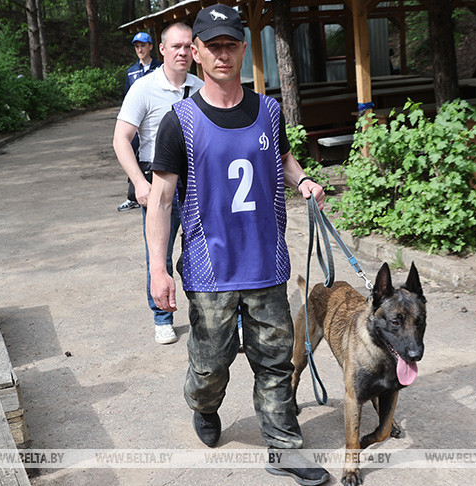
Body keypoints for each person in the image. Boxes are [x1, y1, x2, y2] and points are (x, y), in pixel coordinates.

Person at [147, 5, 329, 485]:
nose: (222, 53)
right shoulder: (179, 121)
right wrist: (158, 271)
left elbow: (284, 158)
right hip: (211, 273)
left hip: (266, 265)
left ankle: (283, 446)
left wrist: (304, 180)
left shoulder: (269, 111)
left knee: (274, 361)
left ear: (243, 49)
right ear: (196, 53)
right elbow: (161, 201)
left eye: (231, 44)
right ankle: (203, 407)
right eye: (212, 45)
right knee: (210, 368)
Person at [112, 22, 203, 345]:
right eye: (175, 46)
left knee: (204, 251)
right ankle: (162, 317)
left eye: (187, 46)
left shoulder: (200, 87)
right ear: (161, 49)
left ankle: (211, 315)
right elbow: (121, 139)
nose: (182, 52)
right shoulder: (143, 88)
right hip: (157, 180)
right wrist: (139, 182)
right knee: (159, 253)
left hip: (195, 182)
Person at [117, 31, 164, 212]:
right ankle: (134, 194)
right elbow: (127, 100)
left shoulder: (161, 68)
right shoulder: (131, 71)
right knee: (132, 157)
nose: (140, 49)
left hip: (155, 123)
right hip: (137, 126)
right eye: (137, 46)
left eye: (143, 45)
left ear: (151, 46)